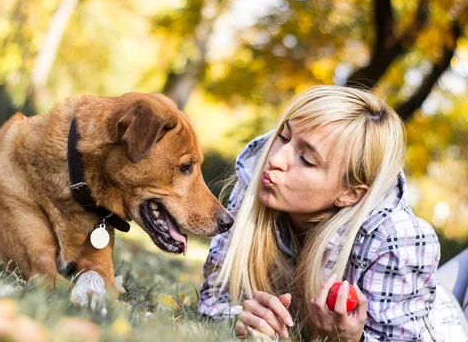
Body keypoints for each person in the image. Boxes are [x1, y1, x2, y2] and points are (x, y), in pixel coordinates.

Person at [198, 86, 468, 341]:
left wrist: (355, 339)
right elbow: (214, 298)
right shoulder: (259, 180)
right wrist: (238, 319)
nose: (275, 160)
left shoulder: (398, 239)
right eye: (283, 136)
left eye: (307, 160)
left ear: (351, 194)